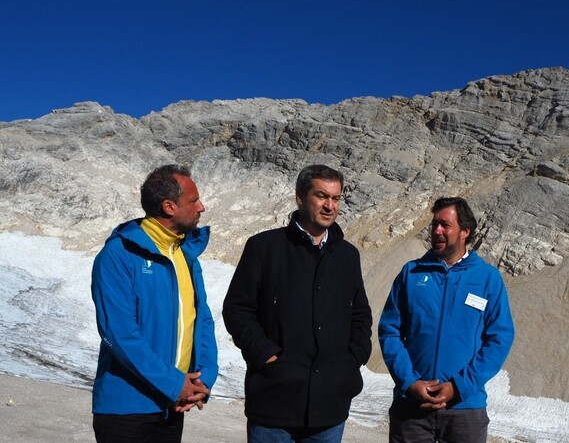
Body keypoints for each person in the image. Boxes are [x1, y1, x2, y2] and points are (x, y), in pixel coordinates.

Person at [223, 164, 372, 443]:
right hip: (273, 403)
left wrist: (353, 358)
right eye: (321, 196)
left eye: (336, 198)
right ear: (300, 198)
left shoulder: (348, 255)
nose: (330, 206)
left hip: (330, 406)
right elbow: (238, 309)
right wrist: (266, 355)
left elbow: (360, 313)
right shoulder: (264, 247)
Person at [91, 164, 219, 442]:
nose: (202, 207)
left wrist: (204, 378)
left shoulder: (185, 254)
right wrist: (175, 384)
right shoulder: (118, 254)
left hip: (172, 407)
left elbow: (202, 321)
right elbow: (119, 333)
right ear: (169, 207)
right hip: (126, 411)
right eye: (194, 200)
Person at [379, 197, 515, 443]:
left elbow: (499, 339)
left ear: (465, 231)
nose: (436, 231)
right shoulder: (411, 273)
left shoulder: (487, 278)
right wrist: (410, 382)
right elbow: (390, 332)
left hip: (465, 409)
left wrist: (459, 386)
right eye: (434, 224)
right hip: (411, 407)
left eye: (445, 224)